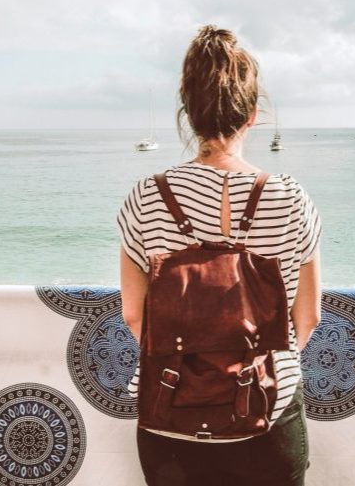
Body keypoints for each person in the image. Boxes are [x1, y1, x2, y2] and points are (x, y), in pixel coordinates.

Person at [117, 24, 323, 486]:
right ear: (253, 115)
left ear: (188, 113)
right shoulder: (290, 197)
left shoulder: (148, 196)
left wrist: (198, 373)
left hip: (170, 413)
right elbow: (306, 318)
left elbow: (135, 316)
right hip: (267, 412)